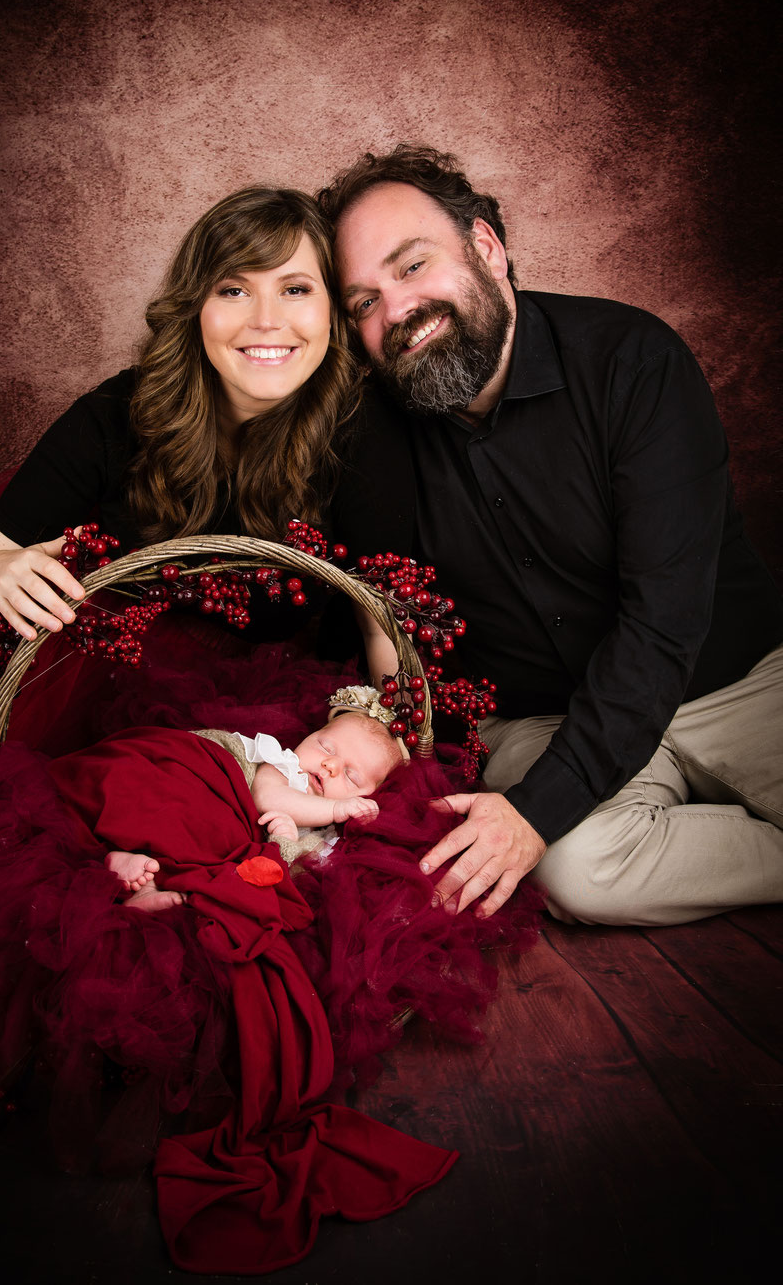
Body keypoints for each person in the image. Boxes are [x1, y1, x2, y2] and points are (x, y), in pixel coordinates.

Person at [318, 144, 783, 928]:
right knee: (577, 870)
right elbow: (386, 628)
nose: (395, 312)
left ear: (488, 249)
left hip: (731, 682)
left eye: (411, 267)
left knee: (545, 824)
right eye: (363, 301)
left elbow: (665, 621)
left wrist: (536, 811)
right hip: (544, 717)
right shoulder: (366, 447)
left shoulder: (633, 360)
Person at [0, 185, 358, 641]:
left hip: (310, 693)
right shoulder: (115, 414)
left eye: (295, 289)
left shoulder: (362, 423)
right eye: (234, 289)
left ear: (333, 311)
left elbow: (387, 622)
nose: (266, 320)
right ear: (195, 307)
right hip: (122, 679)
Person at [102, 685, 408, 908]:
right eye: (326, 747)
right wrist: (336, 807)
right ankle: (128, 846)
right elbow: (269, 799)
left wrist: (286, 844)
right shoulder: (283, 767)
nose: (329, 765)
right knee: (189, 813)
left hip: (224, 848)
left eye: (350, 776)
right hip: (207, 795)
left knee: (241, 881)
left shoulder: (325, 834)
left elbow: (292, 873)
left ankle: (152, 880)